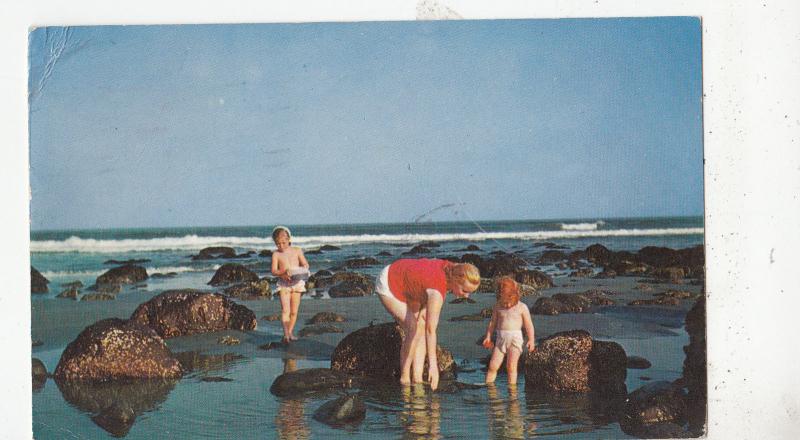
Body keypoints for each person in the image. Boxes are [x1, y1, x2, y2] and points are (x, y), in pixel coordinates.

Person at [375, 258, 480, 390]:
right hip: (390, 281)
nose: (467, 296)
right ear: (456, 280)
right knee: (413, 328)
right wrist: (433, 366)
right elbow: (431, 331)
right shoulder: (437, 290)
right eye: (465, 291)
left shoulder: (455, 269)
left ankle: (417, 378)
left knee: (422, 323)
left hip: (413, 285)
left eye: (470, 292)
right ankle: (405, 377)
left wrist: (424, 308)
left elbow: (426, 280)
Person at [482, 277, 535, 385]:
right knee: (493, 365)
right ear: (499, 296)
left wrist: (531, 340)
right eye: (504, 302)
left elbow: (528, 325)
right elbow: (492, 323)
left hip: (515, 340)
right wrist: (488, 336)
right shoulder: (497, 306)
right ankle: (488, 386)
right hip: (500, 339)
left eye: (510, 302)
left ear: (516, 295)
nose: (507, 305)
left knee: (511, 366)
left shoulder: (522, 307)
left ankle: (512, 390)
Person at [270, 226, 309, 343]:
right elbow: (273, 271)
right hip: (284, 284)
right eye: (278, 244)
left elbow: (305, 264)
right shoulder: (276, 254)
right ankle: (286, 334)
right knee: (285, 310)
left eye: (283, 242)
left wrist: (301, 270)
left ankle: (290, 332)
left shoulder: (297, 250)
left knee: (294, 311)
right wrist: (282, 273)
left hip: (297, 283)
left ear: (289, 239)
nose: (281, 246)